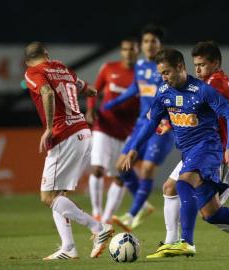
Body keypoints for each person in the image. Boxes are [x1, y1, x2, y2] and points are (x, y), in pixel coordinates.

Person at [122, 48, 229, 257]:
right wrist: (133, 149)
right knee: (210, 213)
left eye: (166, 72)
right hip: (189, 152)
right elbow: (152, 122)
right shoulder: (164, 91)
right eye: (161, 74)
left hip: (208, 149)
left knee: (183, 182)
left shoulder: (203, 89)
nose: (163, 77)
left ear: (180, 67)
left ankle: (185, 242)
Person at [147, 41, 229, 258]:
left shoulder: (214, 85)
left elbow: (228, 116)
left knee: (212, 213)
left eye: (202, 65)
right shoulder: (209, 82)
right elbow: (185, 110)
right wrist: (167, 120)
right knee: (170, 188)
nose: (197, 70)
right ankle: (172, 241)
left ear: (215, 64)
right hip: (198, 150)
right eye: (195, 65)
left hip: (216, 154)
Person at [23, 41, 114, 260]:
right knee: (59, 194)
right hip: (83, 132)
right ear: (47, 54)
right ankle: (69, 247)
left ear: (27, 61)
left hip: (65, 135)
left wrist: (48, 128)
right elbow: (90, 90)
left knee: (48, 196)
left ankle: (98, 228)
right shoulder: (63, 69)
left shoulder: (33, 72)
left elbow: (46, 92)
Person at [103, 24, 175, 231]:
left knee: (147, 168)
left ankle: (132, 214)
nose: (149, 45)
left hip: (162, 125)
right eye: (145, 41)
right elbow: (135, 87)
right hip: (142, 124)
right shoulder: (141, 66)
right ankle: (142, 205)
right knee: (121, 166)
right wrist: (114, 102)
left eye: (153, 41)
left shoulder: (167, 67)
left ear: (160, 44)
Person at [86, 38, 140, 223]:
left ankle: (106, 220)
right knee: (98, 169)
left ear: (137, 51)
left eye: (132, 49)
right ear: (121, 51)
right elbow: (94, 90)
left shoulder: (142, 74)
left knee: (121, 176)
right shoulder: (109, 68)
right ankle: (96, 212)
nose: (128, 52)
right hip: (104, 126)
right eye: (125, 49)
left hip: (128, 131)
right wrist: (91, 109)